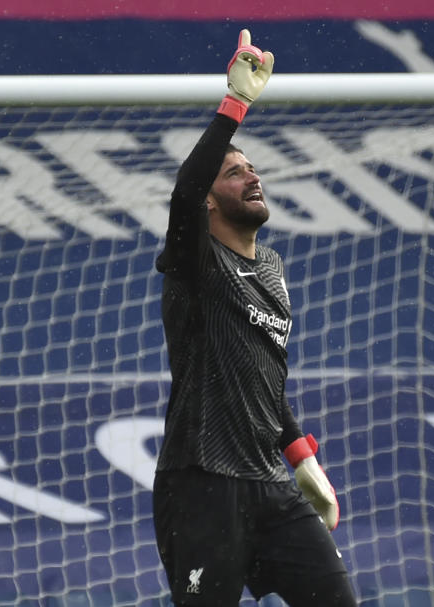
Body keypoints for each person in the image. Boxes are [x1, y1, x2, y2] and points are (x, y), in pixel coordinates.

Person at [152, 29, 358, 607]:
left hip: (271, 485)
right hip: (203, 483)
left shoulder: (270, 266)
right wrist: (234, 108)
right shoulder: (196, 260)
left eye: (252, 168)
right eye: (234, 172)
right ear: (210, 202)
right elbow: (184, 190)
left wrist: (304, 459)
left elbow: (264, 383)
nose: (252, 176)